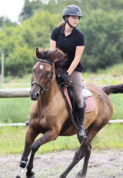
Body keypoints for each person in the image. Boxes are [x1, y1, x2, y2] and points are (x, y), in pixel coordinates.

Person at [50, 4, 86, 139]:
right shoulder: (56, 32)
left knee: (78, 97)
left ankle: (81, 127)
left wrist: (67, 73)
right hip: (57, 68)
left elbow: (77, 57)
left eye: (78, 18)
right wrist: (55, 71)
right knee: (43, 88)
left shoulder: (79, 36)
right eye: (74, 17)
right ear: (66, 18)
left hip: (74, 70)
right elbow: (52, 53)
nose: (76, 20)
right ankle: (34, 118)